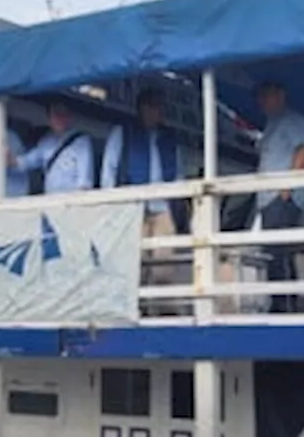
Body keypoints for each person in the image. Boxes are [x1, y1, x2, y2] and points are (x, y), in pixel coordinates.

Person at [100, 88, 190, 288]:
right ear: (140, 108)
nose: (155, 111)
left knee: (164, 264)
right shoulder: (123, 132)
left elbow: (179, 173)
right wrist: (112, 206)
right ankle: (138, 310)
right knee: (134, 263)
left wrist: (177, 199)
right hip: (132, 207)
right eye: (151, 106)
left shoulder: (169, 138)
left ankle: (159, 311)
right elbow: (109, 170)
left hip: (162, 208)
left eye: (158, 107)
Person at [252, 82, 304, 314]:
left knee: (280, 252)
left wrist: (288, 187)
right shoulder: (270, 125)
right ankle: (278, 301)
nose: (262, 101)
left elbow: (303, 150)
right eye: (261, 97)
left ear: (280, 95)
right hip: (267, 198)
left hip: (282, 197)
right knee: (272, 253)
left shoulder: (293, 120)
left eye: (267, 96)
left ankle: (285, 304)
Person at [16, 101, 94, 195]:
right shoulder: (46, 141)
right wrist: (10, 160)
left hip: (72, 200)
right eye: (56, 114)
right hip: (51, 199)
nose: (60, 118)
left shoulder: (81, 141)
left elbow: (85, 180)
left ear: (70, 116)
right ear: (49, 118)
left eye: (64, 114)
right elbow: (29, 161)